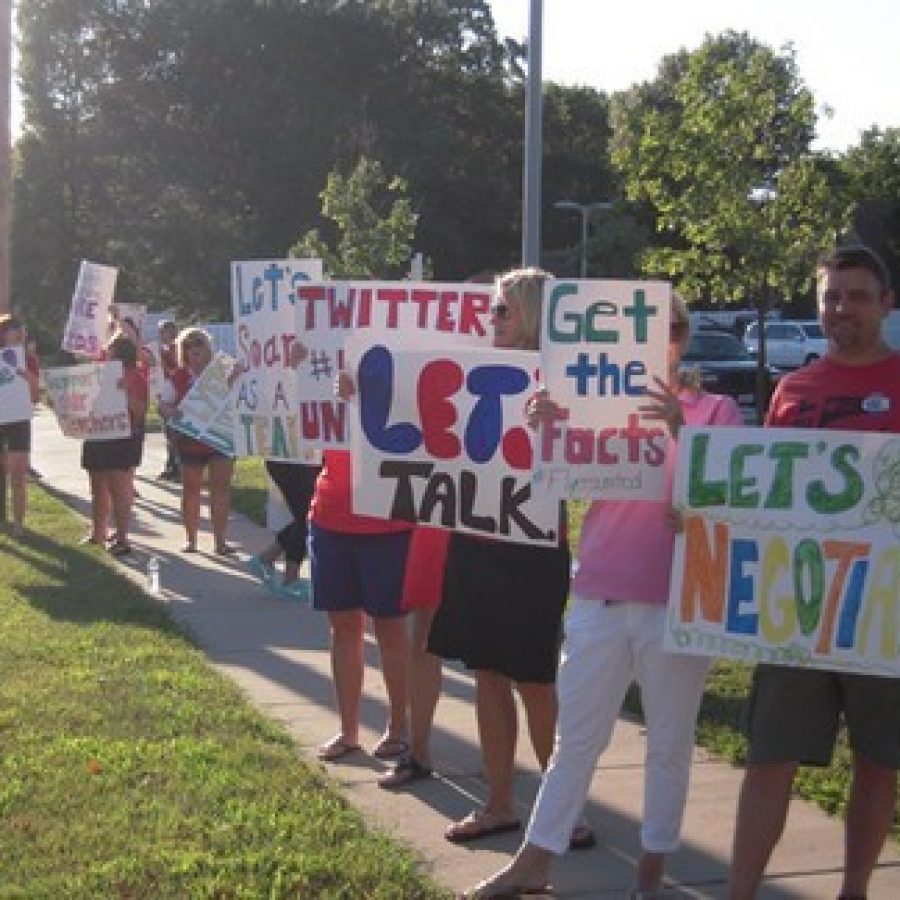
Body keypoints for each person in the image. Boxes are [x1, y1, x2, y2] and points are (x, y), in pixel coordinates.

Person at [464, 292, 743, 898]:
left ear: (684, 336)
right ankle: (534, 860)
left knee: (668, 744)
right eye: (646, 330)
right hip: (599, 593)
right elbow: (555, 477)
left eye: (669, 328)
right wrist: (547, 424)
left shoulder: (716, 409)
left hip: (677, 601)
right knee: (576, 742)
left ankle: (651, 871)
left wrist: (678, 430)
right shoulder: (596, 399)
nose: (658, 339)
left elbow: (729, 494)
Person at [728, 244, 900, 900]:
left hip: (881, 608)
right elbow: (762, 494)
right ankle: (738, 890)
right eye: (831, 296)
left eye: (857, 296)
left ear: (886, 303)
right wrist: (706, 515)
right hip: (794, 607)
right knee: (770, 753)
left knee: (877, 759)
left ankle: (853, 890)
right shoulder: (792, 392)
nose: (841, 309)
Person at [425, 268, 578, 845]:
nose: (490, 320)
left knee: (534, 680)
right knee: (487, 674)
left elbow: (593, 463)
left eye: (501, 311)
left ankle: (563, 811)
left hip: (534, 547)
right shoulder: (466, 372)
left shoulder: (568, 384)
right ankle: (499, 804)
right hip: (475, 540)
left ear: (532, 316)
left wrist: (558, 424)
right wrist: (358, 390)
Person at [307, 440, 413, 763]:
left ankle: (398, 727)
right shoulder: (321, 386)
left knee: (390, 626)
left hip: (389, 515)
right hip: (330, 515)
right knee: (343, 626)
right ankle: (348, 730)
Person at [377, 525, 451, 788]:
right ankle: (418, 754)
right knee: (422, 637)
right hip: (434, 525)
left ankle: (556, 797)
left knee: (497, 667)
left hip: (499, 530)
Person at [159, 327, 236, 555]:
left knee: (220, 489)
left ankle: (220, 542)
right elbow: (164, 403)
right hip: (190, 441)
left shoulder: (223, 370)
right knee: (191, 490)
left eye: (199, 345)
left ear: (208, 348)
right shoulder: (179, 377)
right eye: (189, 348)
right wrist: (170, 412)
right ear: (183, 352)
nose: (195, 351)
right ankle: (191, 539)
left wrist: (238, 373)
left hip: (220, 439)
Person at [80, 335, 148, 555]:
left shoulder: (135, 378)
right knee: (97, 487)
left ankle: (122, 538)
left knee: (120, 490)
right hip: (98, 435)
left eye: (110, 350)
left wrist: (124, 393)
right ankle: (98, 533)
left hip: (123, 439)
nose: (106, 354)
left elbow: (139, 413)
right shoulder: (98, 374)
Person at [248, 458, 321, 600]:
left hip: (300, 459)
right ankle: (289, 578)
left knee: (309, 515)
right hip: (295, 461)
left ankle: (267, 559)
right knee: (308, 516)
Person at [0, 315, 40, 537]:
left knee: (17, 475)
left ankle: (18, 525)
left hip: (18, 421)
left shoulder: (29, 360)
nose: (19, 334)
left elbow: (35, 398)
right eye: (14, 329)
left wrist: (30, 378)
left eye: (21, 330)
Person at [156, 318, 181, 481]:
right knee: (169, 432)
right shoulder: (163, 350)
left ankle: (175, 466)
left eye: (164, 331)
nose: (161, 335)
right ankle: (171, 464)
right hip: (165, 393)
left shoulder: (175, 350)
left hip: (175, 395)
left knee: (173, 433)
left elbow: (175, 370)